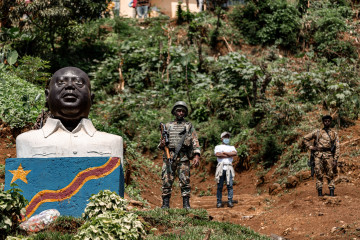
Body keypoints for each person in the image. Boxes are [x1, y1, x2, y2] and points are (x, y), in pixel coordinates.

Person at [16, 67, 123, 163]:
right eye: (61, 82)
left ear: (92, 98)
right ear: (47, 96)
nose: (70, 86)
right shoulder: (26, 141)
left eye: (79, 83)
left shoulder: (113, 142)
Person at [158, 101, 201, 209]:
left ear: (185, 113)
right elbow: (161, 144)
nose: (180, 113)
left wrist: (196, 156)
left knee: (185, 181)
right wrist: (162, 144)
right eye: (178, 110)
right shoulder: (167, 126)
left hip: (183, 157)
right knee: (166, 180)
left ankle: (186, 205)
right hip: (169, 156)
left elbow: (195, 141)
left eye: (183, 111)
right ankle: (165, 204)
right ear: (174, 112)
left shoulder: (188, 126)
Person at [303, 115, 340, 197]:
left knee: (330, 174)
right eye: (325, 121)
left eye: (328, 121)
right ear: (323, 122)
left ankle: (331, 193)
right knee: (319, 174)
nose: (327, 122)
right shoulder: (317, 132)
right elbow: (305, 138)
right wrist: (311, 147)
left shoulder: (334, 133)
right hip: (318, 156)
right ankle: (320, 194)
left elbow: (337, 147)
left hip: (329, 155)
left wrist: (335, 159)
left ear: (330, 122)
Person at [214, 132, 237, 208]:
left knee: (230, 185)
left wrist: (224, 152)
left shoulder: (232, 147)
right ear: (221, 138)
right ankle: (219, 202)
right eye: (225, 137)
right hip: (221, 168)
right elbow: (218, 154)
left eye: (227, 137)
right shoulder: (218, 146)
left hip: (229, 168)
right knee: (219, 186)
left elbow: (234, 154)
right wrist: (228, 154)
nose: (226, 138)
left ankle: (230, 201)